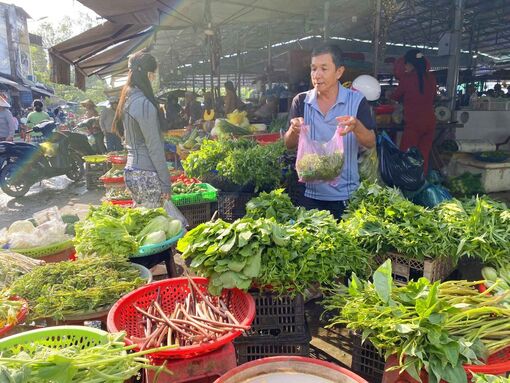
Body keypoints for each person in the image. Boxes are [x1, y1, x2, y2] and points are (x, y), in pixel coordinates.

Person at [284, 43, 376, 219]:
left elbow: (370, 142)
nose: (317, 75)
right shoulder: (301, 101)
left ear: (339, 72)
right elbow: (288, 145)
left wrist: (356, 126)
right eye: (313, 69)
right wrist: (294, 130)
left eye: (324, 69)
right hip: (309, 194)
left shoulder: (356, 101)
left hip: (346, 195)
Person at [112, 50, 170, 208]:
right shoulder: (143, 104)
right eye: (154, 75)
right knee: (156, 226)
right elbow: (154, 147)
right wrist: (166, 183)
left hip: (132, 172)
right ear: (149, 75)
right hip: (146, 174)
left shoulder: (128, 99)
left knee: (146, 225)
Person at [391, 49, 437, 174]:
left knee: (407, 156)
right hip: (430, 123)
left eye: (406, 64)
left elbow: (395, 96)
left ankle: (407, 185)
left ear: (410, 64)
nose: (405, 67)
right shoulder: (431, 78)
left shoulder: (407, 78)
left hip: (414, 124)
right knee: (423, 157)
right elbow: (434, 96)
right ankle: (421, 182)